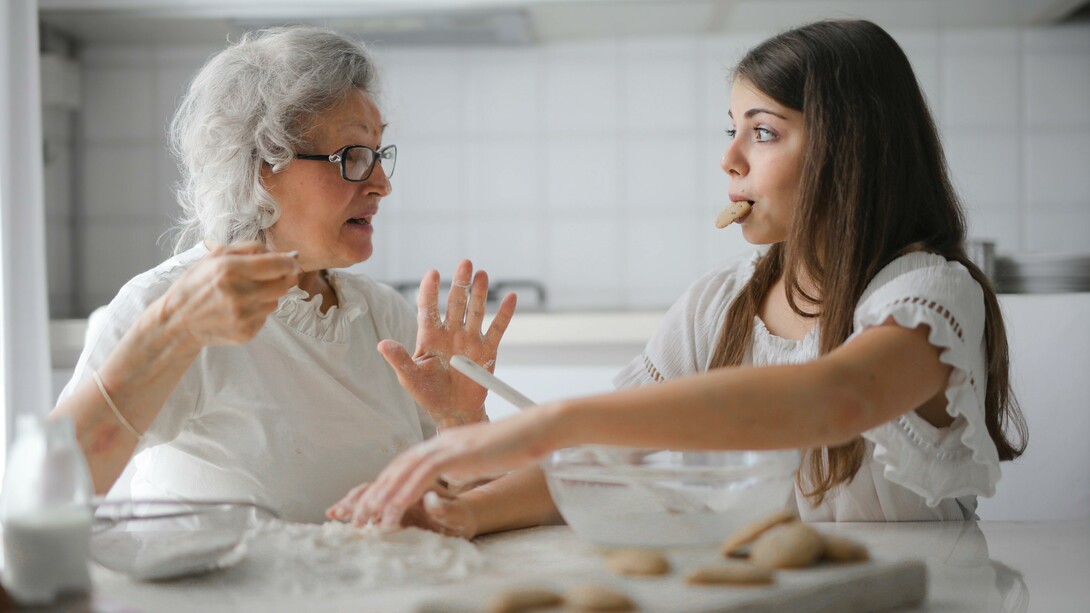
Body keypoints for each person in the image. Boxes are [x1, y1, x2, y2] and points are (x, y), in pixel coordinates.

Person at [329, 19, 1028, 533]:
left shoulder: (929, 294)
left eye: (763, 131)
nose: (729, 158)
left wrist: (556, 418)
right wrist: (466, 509)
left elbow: (837, 397)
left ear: (850, 149)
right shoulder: (719, 304)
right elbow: (605, 460)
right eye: (731, 128)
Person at [49, 26, 515, 523]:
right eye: (353, 157)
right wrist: (170, 333)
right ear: (258, 167)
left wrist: (461, 422)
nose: (382, 184)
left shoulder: (382, 316)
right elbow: (51, 488)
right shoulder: (167, 304)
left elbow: (454, 511)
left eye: (379, 155)